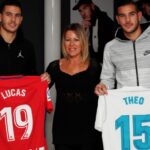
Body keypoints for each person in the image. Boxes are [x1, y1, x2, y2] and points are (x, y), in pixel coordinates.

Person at [46, 23, 103, 150]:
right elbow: (38, 93)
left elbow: (106, 93)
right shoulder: (54, 67)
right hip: (62, 133)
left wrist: (102, 89)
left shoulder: (94, 67)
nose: (71, 45)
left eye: (76, 40)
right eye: (68, 40)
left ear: (83, 42)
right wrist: (41, 81)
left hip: (90, 133)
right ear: (63, 43)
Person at [95, 0, 150, 95]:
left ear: (139, 16)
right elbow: (107, 79)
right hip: (126, 105)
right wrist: (102, 86)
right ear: (117, 19)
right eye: (122, 16)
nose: (127, 20)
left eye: (131, 14)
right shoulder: (110, 47)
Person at [0, 0, 49, 81]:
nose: (13, 19)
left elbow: (32, 78)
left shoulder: (27, 47)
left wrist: (43, 79)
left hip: (19, 93)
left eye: (17, 15)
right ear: (0, 17)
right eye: (9, 14)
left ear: (21, 19)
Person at [72, 0, 116, 64]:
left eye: (85, 8)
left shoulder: (104, 21)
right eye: (80, 11)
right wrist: (82, 32)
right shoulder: (88, 24)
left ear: (92, 6)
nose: (83, 13)